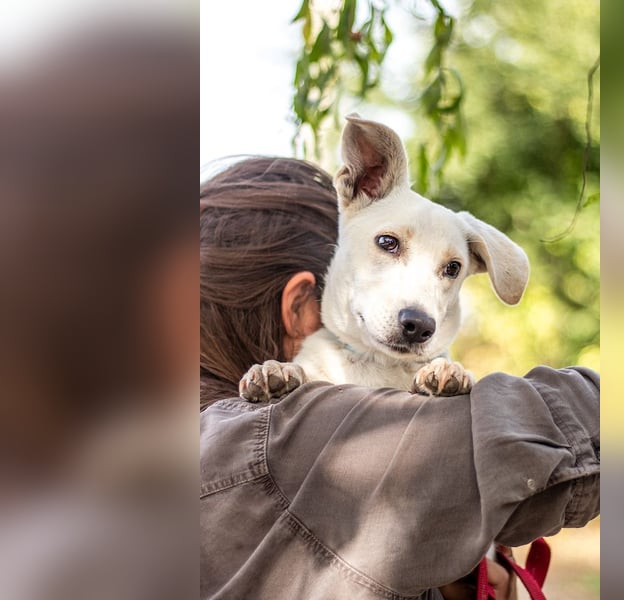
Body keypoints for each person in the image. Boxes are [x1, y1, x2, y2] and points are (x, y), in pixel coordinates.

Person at [200, 157, 600, 599]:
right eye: (388, 244)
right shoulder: (291, 437)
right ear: (300, 306)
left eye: (450, 269)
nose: (417, 309)